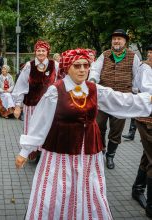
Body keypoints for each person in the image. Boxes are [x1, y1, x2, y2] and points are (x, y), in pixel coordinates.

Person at [15, 48, 152, 220]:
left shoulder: (94, 89)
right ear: (67, 68)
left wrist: (147, 99)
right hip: (61, 150)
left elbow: (121, 100)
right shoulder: (55, 91)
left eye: (86, 65)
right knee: (57, 189)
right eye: (77, 66)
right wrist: (25, 151)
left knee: (88, 187)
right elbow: (40, 122)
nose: (82, 70)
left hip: (88, 150)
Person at [88, 29, 142, 169]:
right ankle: (101, 150)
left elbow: (137, 76)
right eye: (114, 39)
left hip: (122, 99)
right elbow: (95, 69)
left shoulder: (133, 56)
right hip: (104, 98)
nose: (116, 41)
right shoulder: (105, 55)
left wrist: (135, 94)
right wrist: (93, 80)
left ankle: (110, 155)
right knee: (98, 126)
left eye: (119, 39)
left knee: (116, 130)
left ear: (125, 41)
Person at [12, 40, 59, 161]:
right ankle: (31, 152)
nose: (41, 53)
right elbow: (21, 86)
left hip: (49, 105)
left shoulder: (55, 65)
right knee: (31, 128)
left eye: (43, 50)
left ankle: (44, 152)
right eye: (38, 50)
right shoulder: (29, 65)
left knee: (47, 127)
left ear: (47, 52)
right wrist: (18, 105)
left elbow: (60, 82)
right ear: (35, 52)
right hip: (31, 104)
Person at [130, 46, 152, 218]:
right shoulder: (146, 68)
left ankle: (138, 189)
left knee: (148, 155)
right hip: (147, 118)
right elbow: (146, 90)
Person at [122, 45, 152, 141]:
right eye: (149, 52)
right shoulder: (145, 66)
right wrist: (134, 90)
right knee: (140, 117)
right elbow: (144, 85)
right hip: (145, 96)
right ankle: (135, 134)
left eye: (151, 53)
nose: (149, 54)